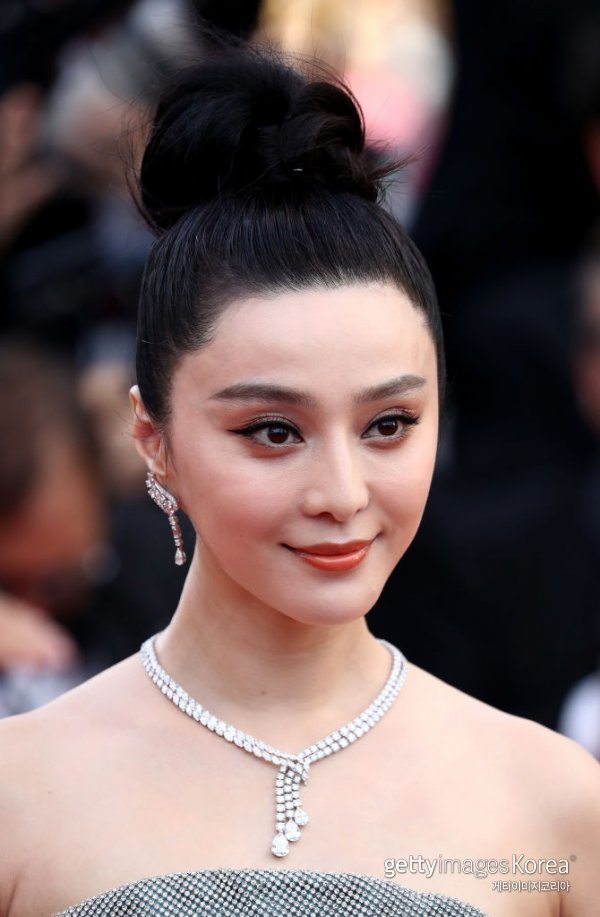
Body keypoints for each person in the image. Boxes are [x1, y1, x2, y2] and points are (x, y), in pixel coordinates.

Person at [0, 45, 598, 917]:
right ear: (153, 440)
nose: (343, 493)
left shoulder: (553, 804)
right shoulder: (21, 795)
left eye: (388, 425)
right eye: (273, 431)